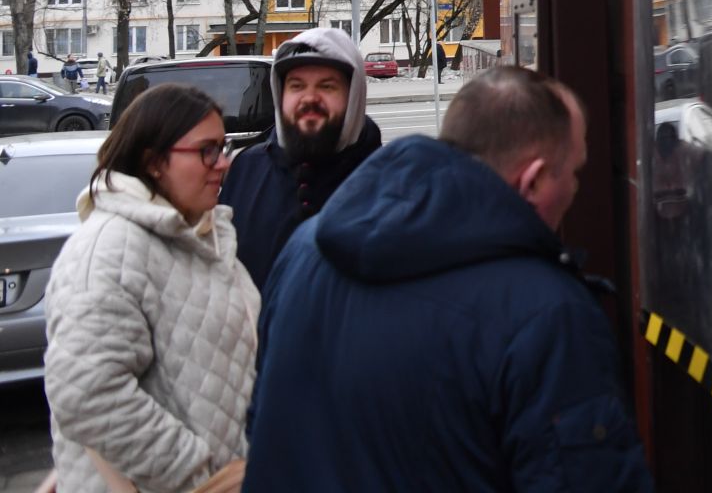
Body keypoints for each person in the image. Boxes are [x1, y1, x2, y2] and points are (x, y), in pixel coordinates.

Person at [244, 68, 652, 491]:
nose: (574, 188)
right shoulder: (548, 315)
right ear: (532, 181)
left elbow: (264, 424)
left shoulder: (304, 250)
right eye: (574, 172)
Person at [42, 84, 255, 493]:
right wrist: (200, 476)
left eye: (223, 148)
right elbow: (86, 395)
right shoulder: (111, 248)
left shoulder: (202, 236)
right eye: (207, 150)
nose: (223, 163)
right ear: (154, 162)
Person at [218, 27, 381, 290]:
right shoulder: (246, 170)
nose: (309, 98)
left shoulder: (386, 182)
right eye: (296, 86)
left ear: (353, 96)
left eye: (327, 86)